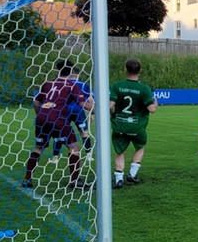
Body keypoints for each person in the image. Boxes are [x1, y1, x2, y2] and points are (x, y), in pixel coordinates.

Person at [22, 59, 92, 190]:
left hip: (42, 118)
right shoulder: (71, 85)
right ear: (71, 72)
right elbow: (85, 105)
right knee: (73, 147)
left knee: (38, 148)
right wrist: (96, 106)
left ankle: (27, 179)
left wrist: (40, 115)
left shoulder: (47, 83)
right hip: (58, 119)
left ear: (58, 70)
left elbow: (36, 103)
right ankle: (75, 180)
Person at [109, 58, 158, 189]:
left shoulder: (117, 85)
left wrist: (113, 113)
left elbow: (110, 105)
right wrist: (155, 102)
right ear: (140, 70)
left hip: (120, 125)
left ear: (125, 69)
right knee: (140, 147)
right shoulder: (144, 88)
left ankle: (119, 179)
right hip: (137, 127)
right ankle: (132, 174)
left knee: (120, 152)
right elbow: (152, 109)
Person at [49, 69, 92, 163]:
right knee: (84, 133)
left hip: (64, 110)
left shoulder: (63, 84)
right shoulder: (84, 85)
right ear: (78, 75)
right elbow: (90, 100)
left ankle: (55, 157)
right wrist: (92, 113)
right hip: (78, 111)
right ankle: (89, 156)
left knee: (59, 132)